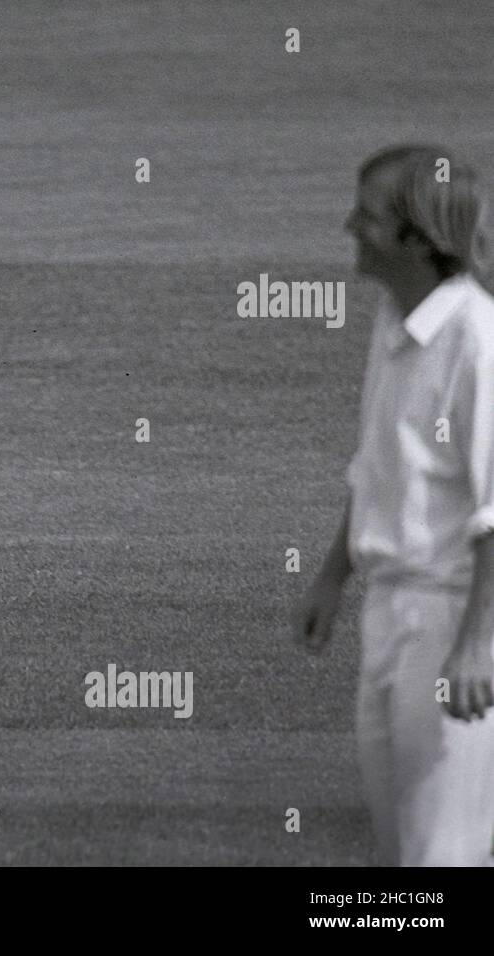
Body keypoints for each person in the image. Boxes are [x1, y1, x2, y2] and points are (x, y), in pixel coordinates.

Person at [294, 144, 494, 866]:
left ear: (416, 236)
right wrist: (332, 575)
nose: (350, 224)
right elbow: (379, 464)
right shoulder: (393, 319)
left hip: (451, 620)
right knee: (401, 845)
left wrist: (477, 645)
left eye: (369, 214)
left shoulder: (478, 341)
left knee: (443, 855)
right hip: (389, 612)